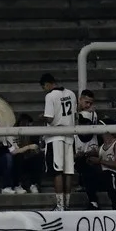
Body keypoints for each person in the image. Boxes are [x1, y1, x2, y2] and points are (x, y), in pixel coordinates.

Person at [39, 73, 78, 210]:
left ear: (48, 83)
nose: (44, 89)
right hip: (69, 135)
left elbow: (49, 118)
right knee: (68, 172)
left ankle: (60, 206)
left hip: (55, 136)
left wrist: (41, 117)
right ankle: (67, 204)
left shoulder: (50, 96)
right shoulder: (71, 94)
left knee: (57, 171)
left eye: (44, 86)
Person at [12, 113, 43, 193]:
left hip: (28, 158)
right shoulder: (13, 133)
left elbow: (36, 147)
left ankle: (34, 184)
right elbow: (13, 152)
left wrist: (36, 149)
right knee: (19, 157)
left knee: (38, 156)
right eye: (29, 125)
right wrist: (28, 147)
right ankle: (17, 185)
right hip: (16, 159)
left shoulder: (31, 135)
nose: (30, 127)